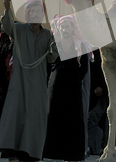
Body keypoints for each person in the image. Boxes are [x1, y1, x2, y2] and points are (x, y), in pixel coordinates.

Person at [0, 0, 58, 162]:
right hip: (20, 81)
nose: (36, 14)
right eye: (32, 11)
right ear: (27, 14)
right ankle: (13, 152)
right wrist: (7, 10)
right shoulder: (19, 29)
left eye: (39, 11)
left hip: (38, 84)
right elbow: (7, 27)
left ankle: (31, 153)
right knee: (17, 115)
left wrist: (57, 45)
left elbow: (51, 59)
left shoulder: (47, 34)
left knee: (34, 118)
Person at [43, 15, 88, 162]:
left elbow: (85, 68)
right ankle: (54, 153)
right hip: (55, 88)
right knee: (54, 118)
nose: (64, 29)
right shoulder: (54, 44)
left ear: (72, 28)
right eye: (62, 26)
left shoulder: (80, 45)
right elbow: (48, 64)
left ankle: (72, 154)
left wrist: (74, 78)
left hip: (73, 88)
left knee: (73, 120)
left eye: (67, 26)